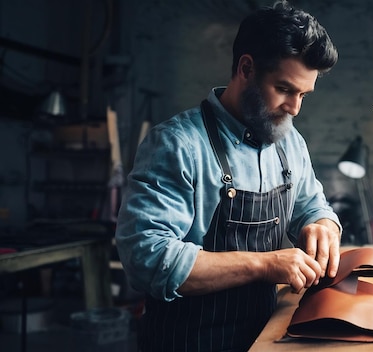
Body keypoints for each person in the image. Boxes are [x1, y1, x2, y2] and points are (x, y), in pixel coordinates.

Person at [114, 1, 341, 351]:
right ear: (246, 68)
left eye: (303, 95)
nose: (294, 108)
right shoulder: (177, 144)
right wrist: (264, 264)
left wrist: (321, 225)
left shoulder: (290, 141)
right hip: (188, 341)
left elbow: (313, 205)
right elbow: (147, 260)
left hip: (262, 337)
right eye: (284, 89)